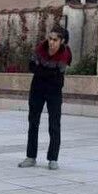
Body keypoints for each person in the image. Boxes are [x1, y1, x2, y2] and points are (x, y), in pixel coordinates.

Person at [20, 27, 71, 169]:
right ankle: (31, 156)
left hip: (54, 91)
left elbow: (57, 74)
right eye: (50, 39)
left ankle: (53, 158)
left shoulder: (65, 54)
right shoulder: (40, 49)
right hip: (37, 89)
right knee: (33, 122)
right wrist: (46, 71)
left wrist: (42, 70)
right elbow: (32, 66)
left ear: (61, 41)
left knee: (54, 124)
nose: (51, 42)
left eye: (55, 40)